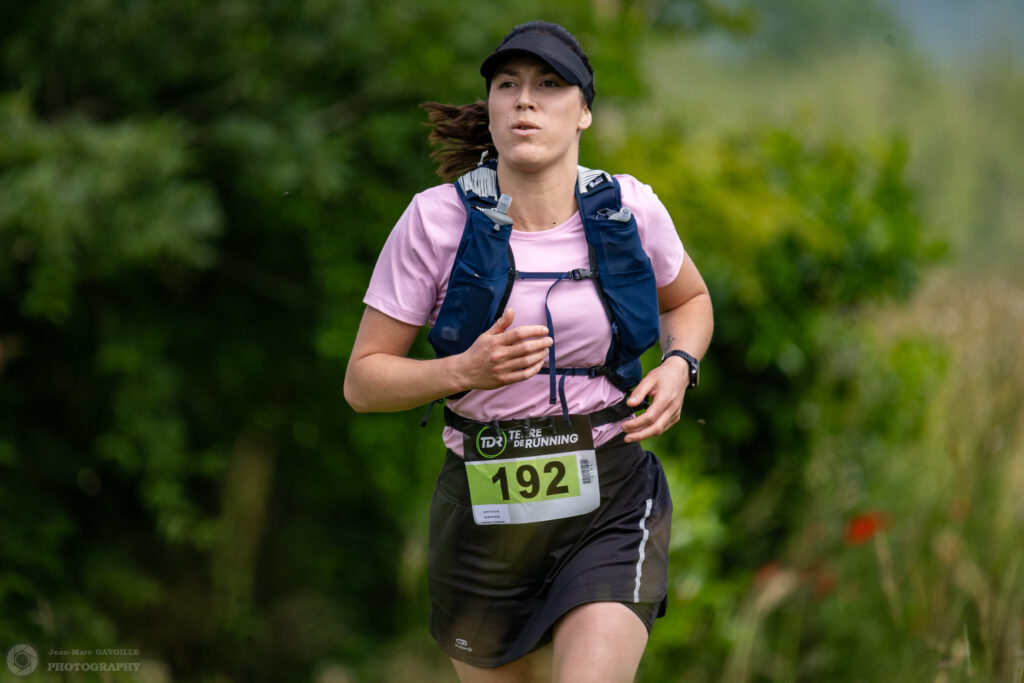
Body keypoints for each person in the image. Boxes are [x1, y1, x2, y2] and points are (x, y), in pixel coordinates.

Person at [344, 20, 713, 683]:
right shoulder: (433, 220)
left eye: (549, 85)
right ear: (490, 108)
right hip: (484, 506)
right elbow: (363, 382)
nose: (524, 101)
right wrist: (465, 369)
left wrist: (678, 365)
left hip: (609, 494)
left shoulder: (629, 208)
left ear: (584, 112)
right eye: (508, 85)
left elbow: (689, 299)